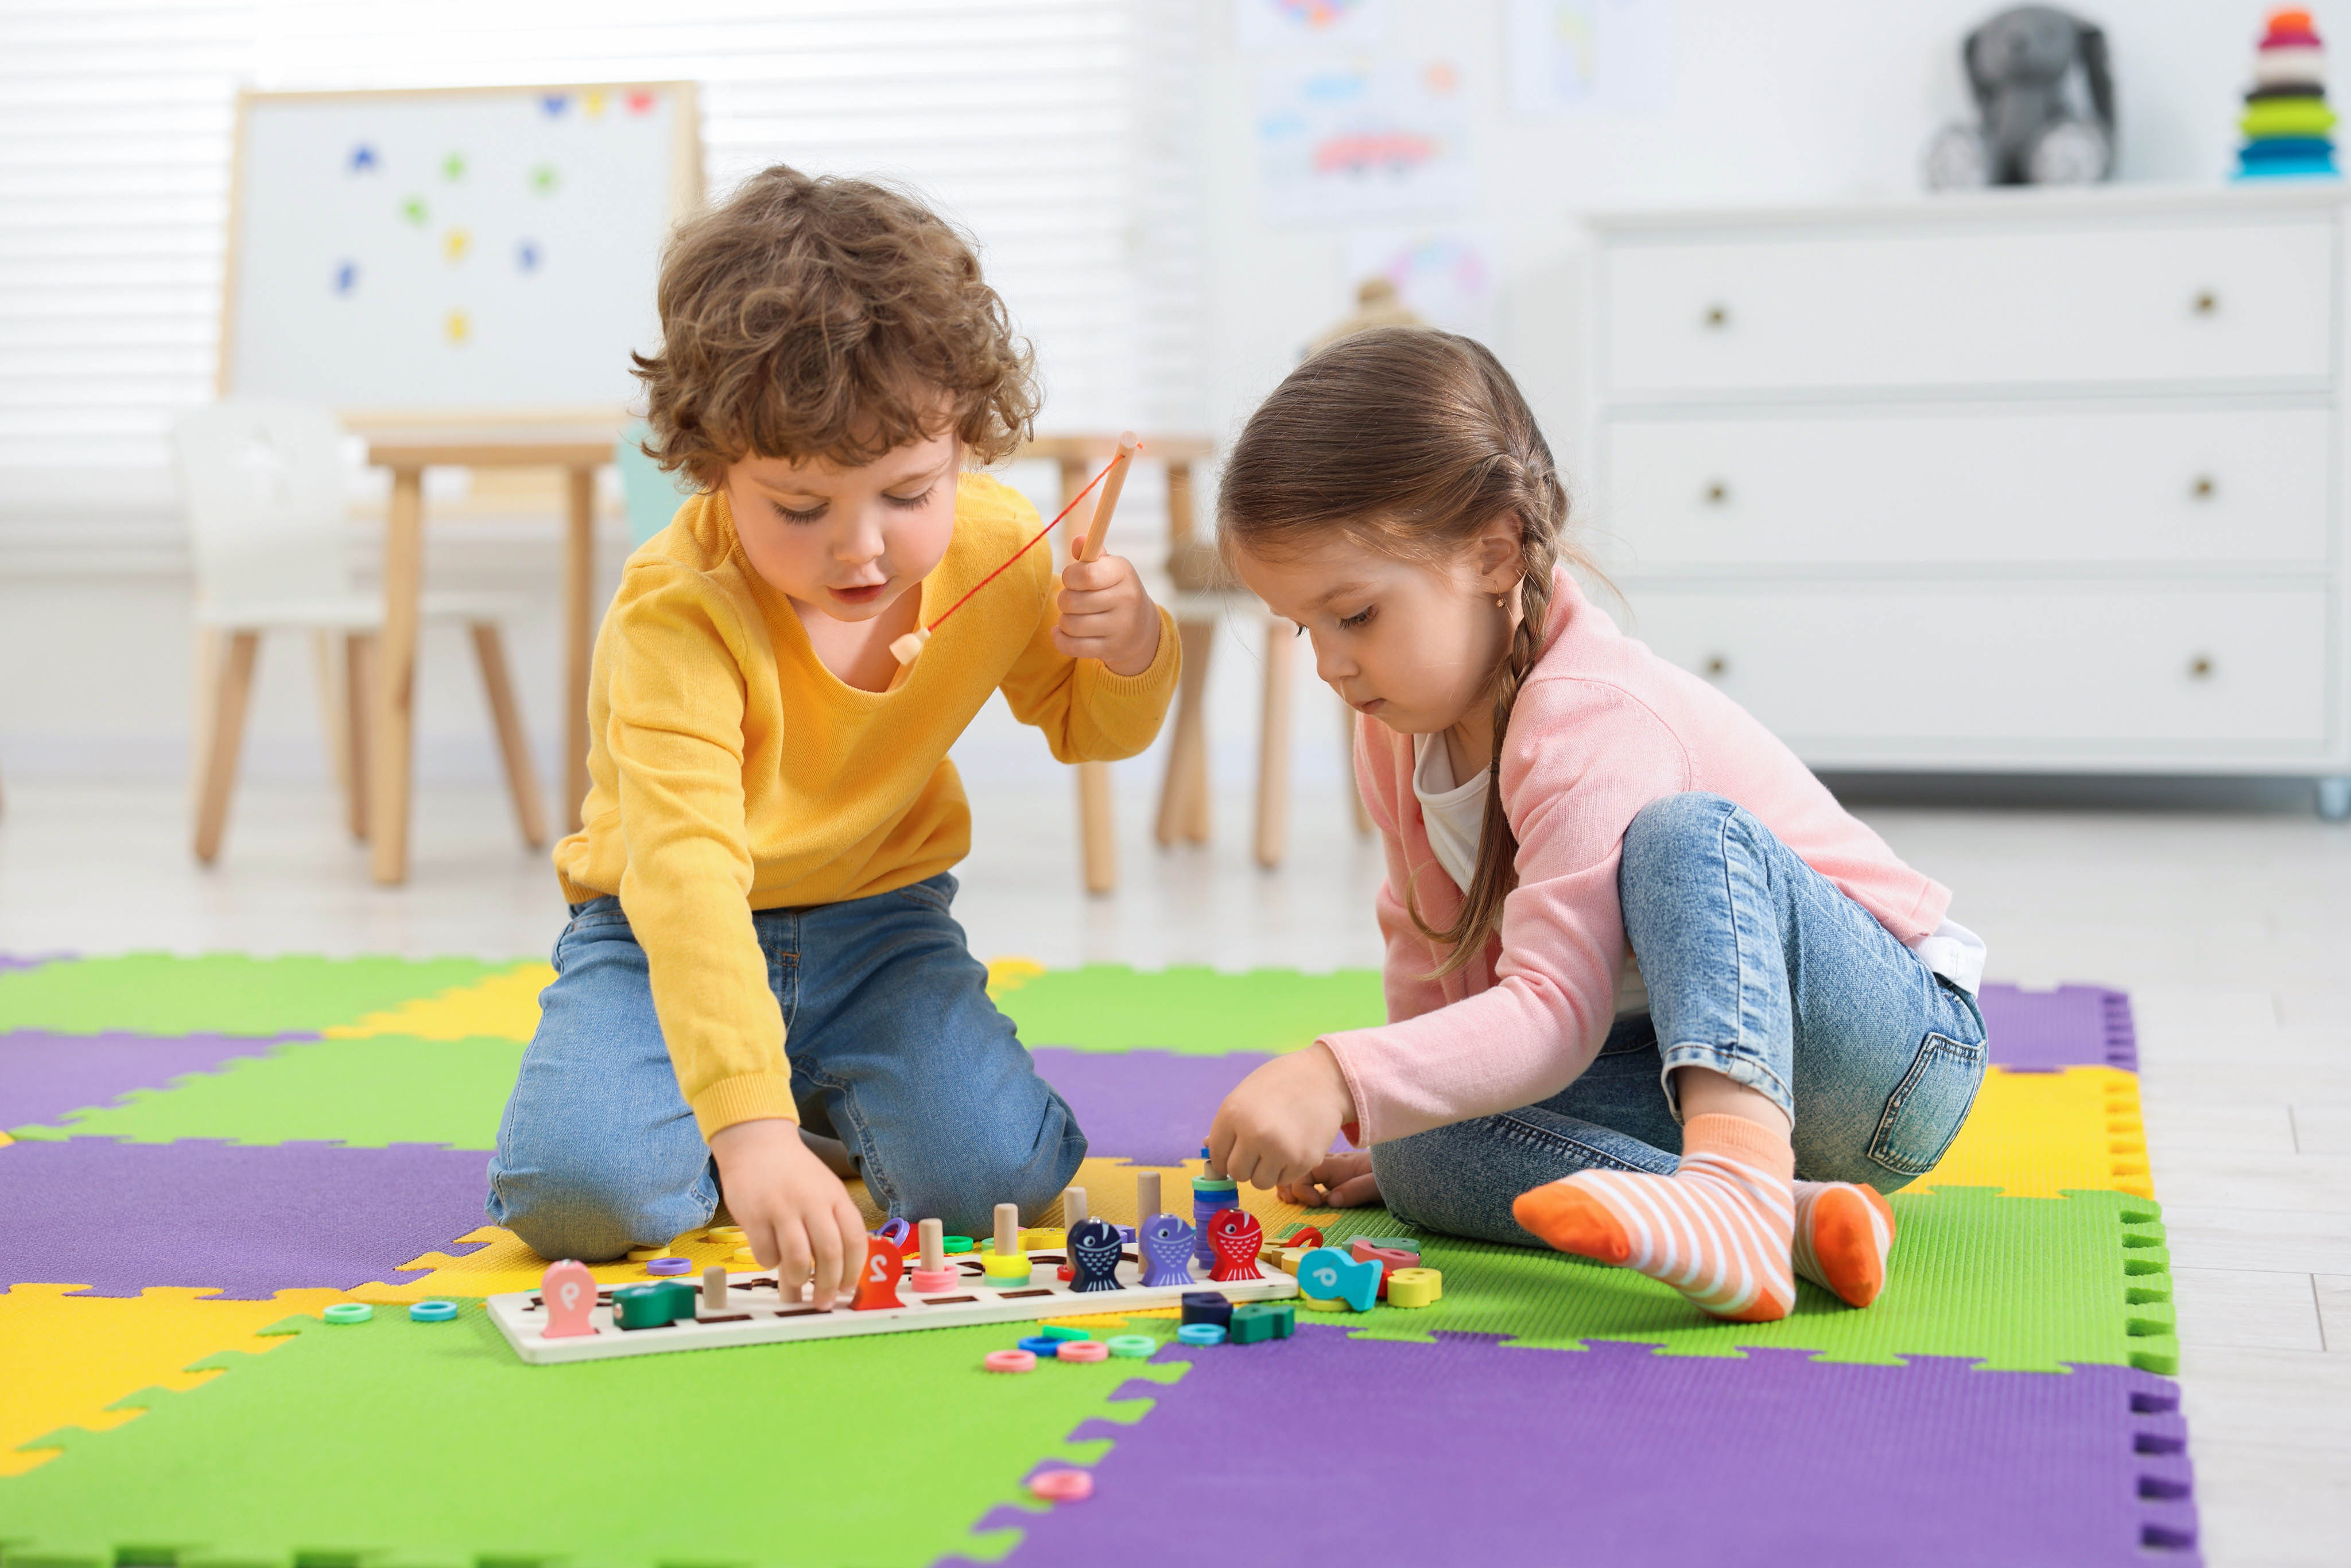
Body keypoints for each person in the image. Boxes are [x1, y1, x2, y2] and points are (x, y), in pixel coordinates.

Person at [486, 166, 1180, 1308]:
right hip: (660, 934)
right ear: (711, 463)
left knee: (992, 1183)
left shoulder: (999, 547)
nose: (859, 550)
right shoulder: (677, 610)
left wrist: (1134, 644)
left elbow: (1089, 728)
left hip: (881, 926)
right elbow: (685, 873)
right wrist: (748, 1130)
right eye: (800, 508)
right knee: (578, 1201)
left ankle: (802, 1097)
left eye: (908, 492)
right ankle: (763, 1101)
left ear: (964, 436)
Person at [1204, 328, 1987, 1322]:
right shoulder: (1400, 737)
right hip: (1676, 1067)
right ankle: (1793, 1222)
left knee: (1686, 835)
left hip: (1885, 1055)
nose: (1330, 664)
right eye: (1302, 627)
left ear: (1493, 551)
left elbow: (1554, 1013)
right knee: (1417, 1150)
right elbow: (1433, 960)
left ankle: (1736, 1191)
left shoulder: (1593, 714)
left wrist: (1335, 1074)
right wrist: (1390, 1111)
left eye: (1355, 615)